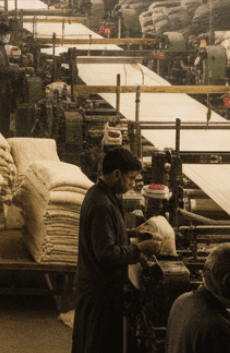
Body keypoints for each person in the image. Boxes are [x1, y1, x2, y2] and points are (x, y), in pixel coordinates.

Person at [71, 147, 162, 353]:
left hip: (95, 287)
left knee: (89, 343)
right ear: (117, 174)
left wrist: (134, 233)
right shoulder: (103, 205)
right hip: (100, 293)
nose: (131, 185)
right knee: (96, 345)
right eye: (130, 179)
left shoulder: (100, 195)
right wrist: (139, 249)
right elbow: (106, 253)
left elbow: (108, 233)